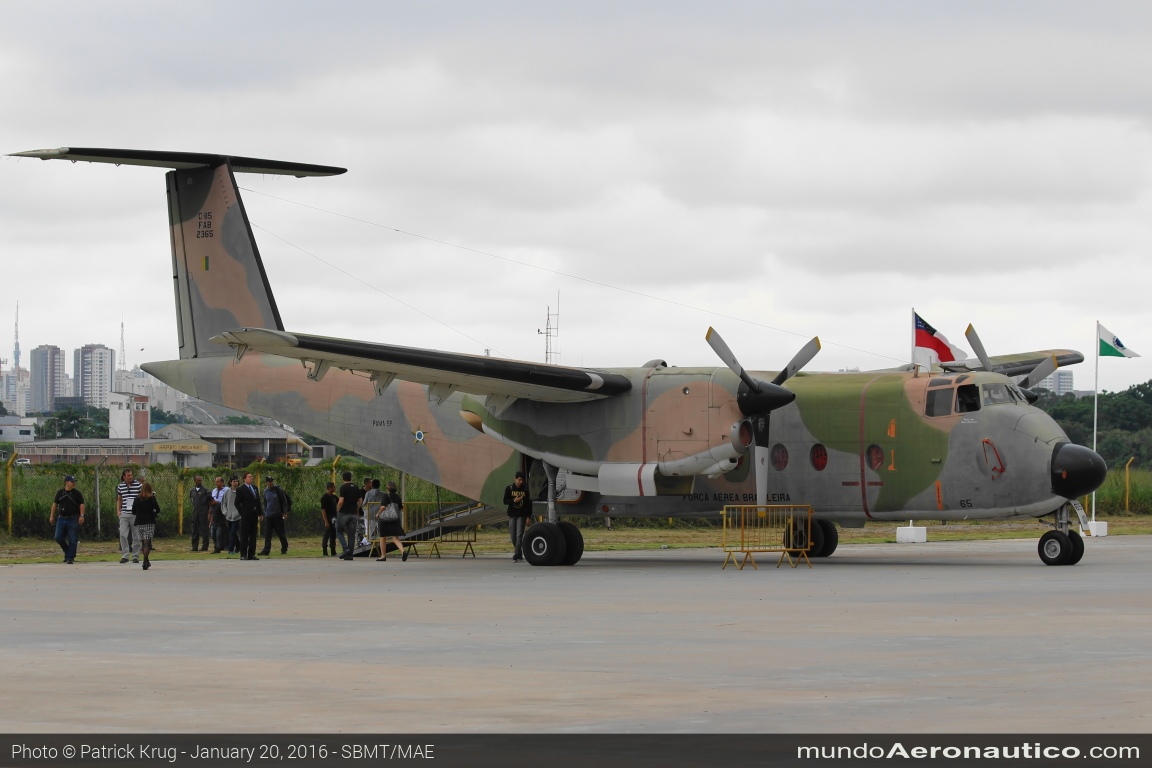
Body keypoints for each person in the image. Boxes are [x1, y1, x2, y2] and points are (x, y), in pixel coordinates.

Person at [50, 474, 85, 564]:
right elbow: (55, 504)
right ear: (66, 482)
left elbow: (82, 504)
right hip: (62, 518)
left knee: (73, 539)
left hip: (73, 518)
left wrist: (81, 515)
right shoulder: (60, 493)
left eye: (74, 482)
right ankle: (67, 551)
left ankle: (70, 557)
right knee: (58, 537)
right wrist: (51, 515)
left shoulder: (77, 493)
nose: (73, 483)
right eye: (72, 482)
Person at [375, 480, 408, 563]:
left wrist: (378, 514)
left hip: (385, 519)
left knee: (383, 537)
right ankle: (403, 551)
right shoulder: (398, 497)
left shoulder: (385, 496)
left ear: (388, 488)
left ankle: (383, 556)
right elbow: (401, 508)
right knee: (395, 537)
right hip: (395, 519)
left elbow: (383, 507)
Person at [504, 471, 533, 562]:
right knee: (513, 536)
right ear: (515, 479)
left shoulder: (525, 490)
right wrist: (514, 500)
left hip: (522, 515)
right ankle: (519, 553)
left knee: (519, 535)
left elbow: (529, 504)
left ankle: (516, 554)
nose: (521, 482)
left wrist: (528, 517)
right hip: (512, 515)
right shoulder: (510, 488)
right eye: (519, 480)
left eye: (522, 480)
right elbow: (505, 501)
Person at [115, 468, 143, 564]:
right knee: (123, 534)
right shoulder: (120, 486)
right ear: (124, 477)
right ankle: (125, 555)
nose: (130, 477)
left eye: (131, 475)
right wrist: (118, 511)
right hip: (124, 513)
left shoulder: (139, 485)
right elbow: (119, 499)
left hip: (135, 514)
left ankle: (135, 556)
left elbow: (142, 498)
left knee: (136, 536)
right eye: (128, 475)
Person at [132, 482, 161, 571]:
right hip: (149, 521)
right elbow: (158, 509)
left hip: (139, 522)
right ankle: (145, 561)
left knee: (143, 542)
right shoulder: (151, 498)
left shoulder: (137, 499)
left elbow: (133, 511)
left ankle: (146, 561)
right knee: (147, 542)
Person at [234, 472, 262, 560]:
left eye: (251, 477)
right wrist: (242, 512)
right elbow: (237, 503)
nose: (251, 478)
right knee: (244, 535)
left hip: (254, 515)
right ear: (244, 479)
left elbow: (258, 502)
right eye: (249, 477)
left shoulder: (255, 488)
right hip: (246, 515)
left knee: (253, 535)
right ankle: (243, 554)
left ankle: (251, 554)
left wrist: (260, 513)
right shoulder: (241, 489)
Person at [259, 476, 290, 556]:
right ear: (266, 482)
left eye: (272, 481)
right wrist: (265, 511)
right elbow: (265, 502)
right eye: (269, 481)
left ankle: (284, 548)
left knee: (280, 533)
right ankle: (266, 550)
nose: (271, 483)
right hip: (269, 515)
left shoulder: (278, 490)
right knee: (268, 534)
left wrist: (284, 512)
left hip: (278, 515)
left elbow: (284, 501)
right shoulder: (265, 491)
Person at [335, 470, 361, 560]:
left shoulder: (343, 487)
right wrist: (357, 509)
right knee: (351, 534)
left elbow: (341, 501)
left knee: (338, 530)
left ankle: (345, 549)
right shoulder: (356, 487)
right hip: (353, 514)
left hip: (344, 513)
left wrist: (338, 510)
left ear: (343, 478)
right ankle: (350, 555)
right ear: (351, 478)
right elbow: (360, 500)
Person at [189, 475, 212, 552]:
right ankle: (194, 547)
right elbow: (191, 500)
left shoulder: (206, 491)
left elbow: (209, 502)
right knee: (195, 530)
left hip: (203, 512)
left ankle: (205, 546)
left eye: (201, 480)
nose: (200, 482)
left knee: (204, 530)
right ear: (195, 481)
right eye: (198, 480)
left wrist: (209, 513)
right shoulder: (192, 491)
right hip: (195, 512)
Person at [221, 476, 242, 555]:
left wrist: (240, 512)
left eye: (236, 481)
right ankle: (238, 546)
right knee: (232, 532)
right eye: (234, 481)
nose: (235, 483)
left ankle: (231, 549)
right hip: (229, 516)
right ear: (230, 482)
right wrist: (226, 512)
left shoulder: (240, 491)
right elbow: (224, 503)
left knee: (233, 532)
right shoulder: (227, 492)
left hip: (237, 516)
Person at [208, 476, 228, 553]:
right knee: (213, 533)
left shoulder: (227, 490)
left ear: (222, 482)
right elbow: (211, 503)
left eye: (218, 482)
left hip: (223, 512)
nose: (216, 483)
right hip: (215, 512)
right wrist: (210, 512)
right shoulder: (214, 490)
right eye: (215, 482)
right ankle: (217, 546)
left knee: (221, 532)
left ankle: (222, 546)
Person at [320, 482, 339, 557]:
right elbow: (323, 510)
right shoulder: (324, 498)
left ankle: (333, 551)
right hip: (327, 517)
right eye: (334, 487)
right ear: (330, 488)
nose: (335, 489)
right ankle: (325, 551)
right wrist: (326, 521)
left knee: (333, 534)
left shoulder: (334, 497)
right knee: (326, 534)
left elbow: (340, 502)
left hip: (334, 517)